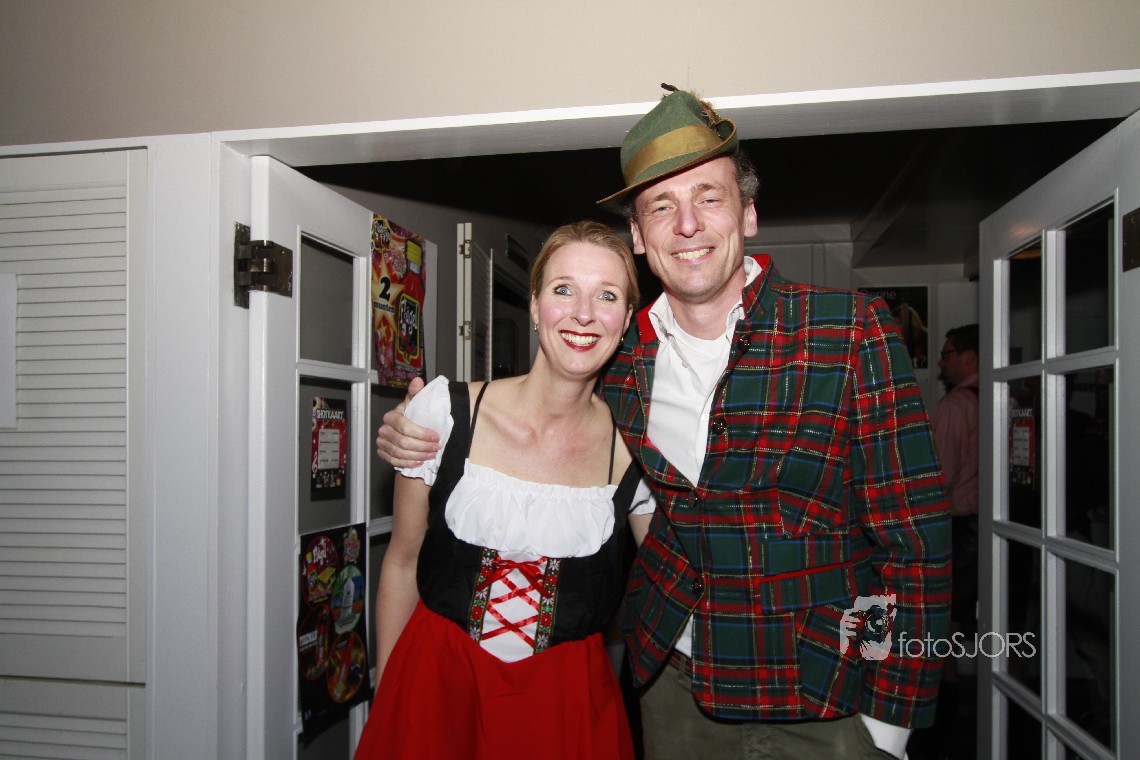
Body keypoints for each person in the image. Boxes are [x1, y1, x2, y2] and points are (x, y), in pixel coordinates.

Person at [377, 86, 951, 760]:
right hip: (671, 692)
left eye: (709, 198)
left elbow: (912, 548)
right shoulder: (618, 359)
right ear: (639, 236)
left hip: (823, 698)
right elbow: (541, 415)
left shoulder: (848, 333)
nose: (687, 225)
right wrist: (410, 428)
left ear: (749, 213)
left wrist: (888, 718)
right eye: (660, 206)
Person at [355, 221, 654, 760]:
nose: (583, 314)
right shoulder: (443, 413)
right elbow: (402, 563)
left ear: (627, 318)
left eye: (607, 296)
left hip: (565, 712)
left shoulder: (637, 451)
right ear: (535, 306)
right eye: (563, 289)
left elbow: (671, 582)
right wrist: (389, 698)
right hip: (436, 692)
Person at [922, 323, 980, 756]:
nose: (941, 363)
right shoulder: (1004, 397)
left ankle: (945, 720)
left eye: (946, 354)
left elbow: (936, 479)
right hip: (992, 526)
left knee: (940, 625)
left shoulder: (956, 406)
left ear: (968, 357)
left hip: (960, 529)